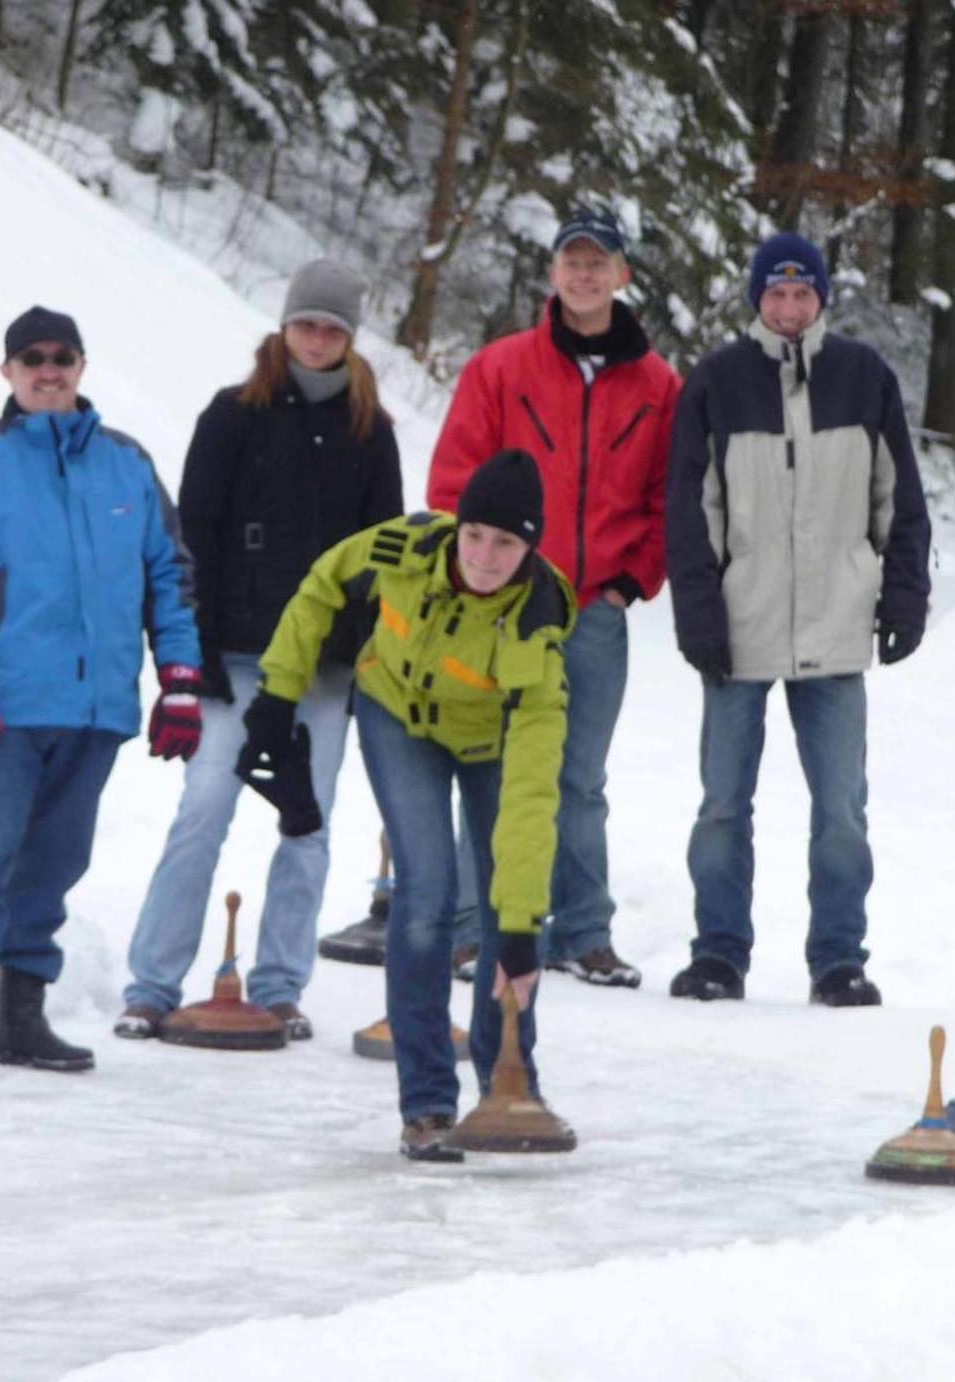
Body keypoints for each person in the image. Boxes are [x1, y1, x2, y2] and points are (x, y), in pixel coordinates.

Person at [244, 451, 575, 1160]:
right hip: (398, 719)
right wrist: (277, 693)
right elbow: (322, 585)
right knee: (426, 892)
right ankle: (426, 1104)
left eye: (508, 543)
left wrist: (520, 926)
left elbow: (531, 793)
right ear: (460, 526)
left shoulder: (535, 629)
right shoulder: (406, 545)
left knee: (503, 911)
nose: (486, 557)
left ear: (530, 548)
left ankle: (508, 1084)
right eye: (477, 534)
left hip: (493, 747)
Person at [0, 305, 203, 1077]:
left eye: (62, 356)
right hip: (4, 706)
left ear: (81, 366)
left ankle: (19, 1023)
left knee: (55, 865)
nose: (48, 369)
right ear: (7, 371)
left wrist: (178, 680)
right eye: (31, 357)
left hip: (97, 708)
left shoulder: (127, 465)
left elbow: (170, 578)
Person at [116, 260, 403, 1042]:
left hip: (323, 669)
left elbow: (387, 556)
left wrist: (360, 655)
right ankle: (151, 984)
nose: (317, 338)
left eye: (333, 329)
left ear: (350, 339)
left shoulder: (371, 429)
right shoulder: (230, 415)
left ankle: (280, 986)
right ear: (284, 328)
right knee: (203, 809)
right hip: (235, 658)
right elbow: (192, 538)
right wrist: (193, 652)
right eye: (307, 324)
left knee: (307, 825)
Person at [664, 232, 931, 1007]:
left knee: (842, 807)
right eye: (775, 295)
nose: (788, 308)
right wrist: (700, 615)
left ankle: (838, 958)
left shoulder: (863, 377)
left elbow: (899, 500)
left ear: (821, 299)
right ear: (758, 299)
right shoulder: (717, 381)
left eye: (801, 294)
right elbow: (690, 508)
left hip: (836, 625)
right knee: (722, 803)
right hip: (739, 628)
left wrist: (902, 596)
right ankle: (718, 953)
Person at [425, 208, 681, 989]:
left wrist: (634, 577)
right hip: (501, 606)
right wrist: (474, 579)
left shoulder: (657, 383)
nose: (583, 273)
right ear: (553, 272)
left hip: (594, 609)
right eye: (571, 259)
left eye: (598, 261)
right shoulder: (501, 368)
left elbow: (669, 494)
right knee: (489, 763)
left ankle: (583, 931)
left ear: (623, 275)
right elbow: (453, 480)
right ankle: (479, 927)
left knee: (578, 777)